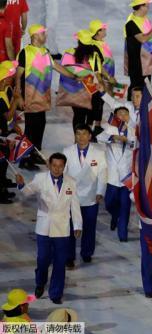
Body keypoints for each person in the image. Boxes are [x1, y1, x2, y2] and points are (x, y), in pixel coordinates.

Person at [16, 153, 83, 304]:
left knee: (60, 262)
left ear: (64, 166)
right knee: (43, 259)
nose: (57, 169)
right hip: (44, 227)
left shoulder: (71, 182)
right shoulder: (40, 179)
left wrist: (78, 225)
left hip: (62, 228)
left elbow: (75, 206)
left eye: (60, 166)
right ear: (49, 165)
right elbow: (28, 191)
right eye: (54, 165)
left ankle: (56, 293)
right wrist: (21, 185)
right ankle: (40, 282)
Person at [15, 24, 79, 171]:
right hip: (30, 97)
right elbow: (18, 76)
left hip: (43, 97)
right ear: (35, 36)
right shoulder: (25, 52)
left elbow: (57, 67)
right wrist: (18, 95)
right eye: (43, 33)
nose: (45, 36)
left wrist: (73, 76)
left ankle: (35, 152)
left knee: (41, 124)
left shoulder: (45, 52)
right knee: (31, 128)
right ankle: (25, 158)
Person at [63, 124, 107, 267]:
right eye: (78, 134)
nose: (81, 137)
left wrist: (100, 191)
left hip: (91, 197)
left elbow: (103, 173)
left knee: (89, 226)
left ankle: (87, 253)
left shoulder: (99, 153)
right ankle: (69, 255)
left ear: (90, 136)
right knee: (69, 228)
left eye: (84, 134)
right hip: (72, 197)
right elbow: (63, 173)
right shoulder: (67, 151)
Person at [97, 107, 135, 242]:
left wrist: (128, 141)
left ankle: (122, 233)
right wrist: (115, 137)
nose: (123, 116)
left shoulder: (133, 131)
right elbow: (99, 138)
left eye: (126, 114)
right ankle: (115, 215)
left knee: (125, 205)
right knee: (109, 203)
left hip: (127, 176)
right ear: (116, 117)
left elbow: (139, 145)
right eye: (120, 114)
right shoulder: (110, 130)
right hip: (112, 176)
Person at [124, 0, 152, 100]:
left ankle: (144, 108)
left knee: (146, 85)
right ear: (140, 7)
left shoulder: (144, 19)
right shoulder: (131, 23)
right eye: (147, 6)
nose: (148, 8)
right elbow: (143, 39)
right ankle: (131, 108)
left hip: (147, 61)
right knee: (136, 86)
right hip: (137, 62)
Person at [89, 19, 115, 134]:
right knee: (95, 102)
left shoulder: (102, 43)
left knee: (101, 101)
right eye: (103, 29)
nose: (105, 30)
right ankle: (90, 128)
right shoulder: (94, 45)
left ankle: (97, 125)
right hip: (98, 79)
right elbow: (97, 66)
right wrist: (104, 78)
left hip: (106, 77)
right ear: (98, 32)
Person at [0, 59, 19, 204]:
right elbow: (8, 115)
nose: (13, 78)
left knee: (4, 162)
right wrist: (16, 101)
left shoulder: (5, 91)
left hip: (4, 132)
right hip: (1, 135)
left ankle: (3, 185)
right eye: (11, 75)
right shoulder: (0, 97)